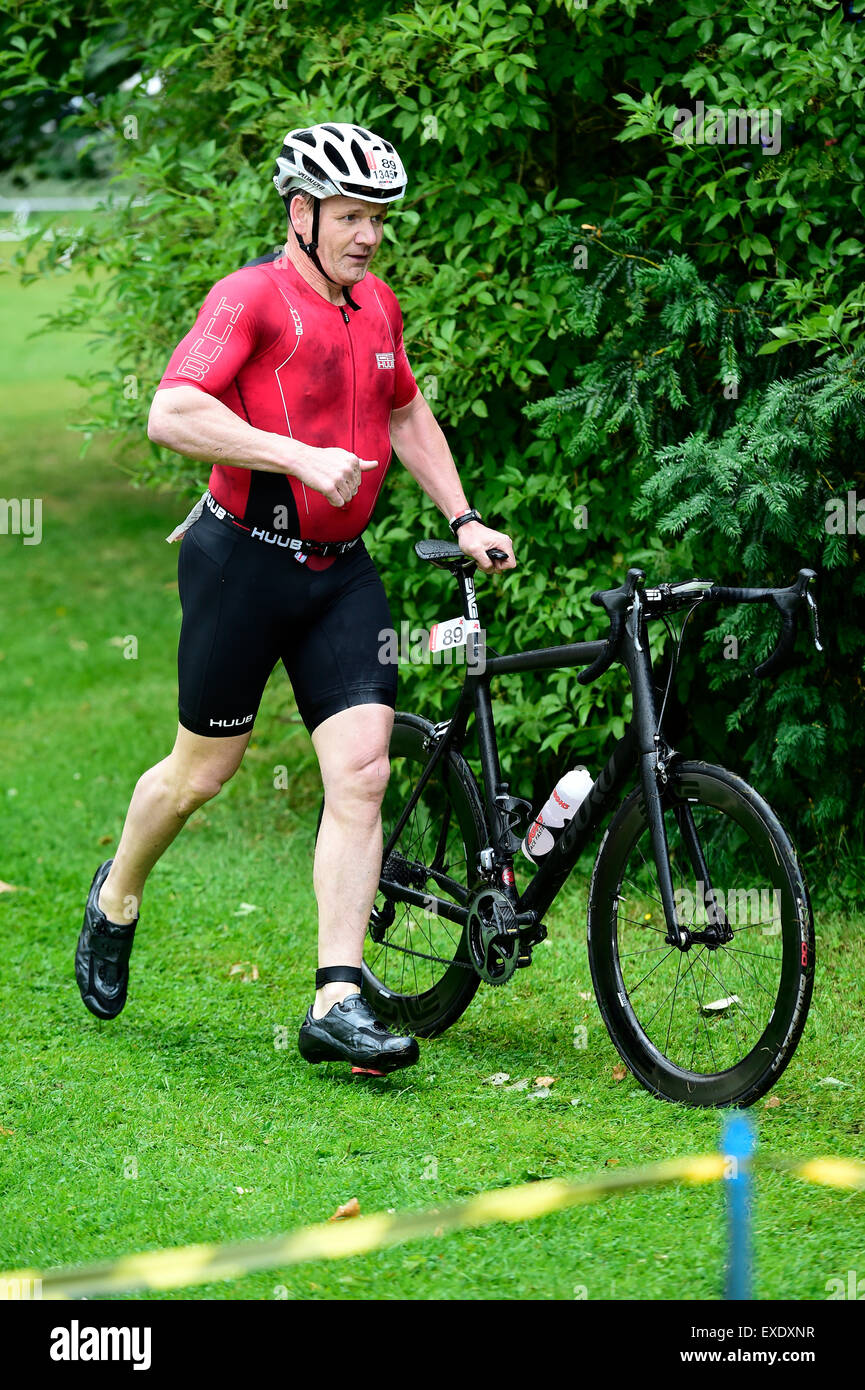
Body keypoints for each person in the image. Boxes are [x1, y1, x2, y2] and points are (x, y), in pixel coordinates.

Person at [75, 121, 515, 1073]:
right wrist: (297, 456)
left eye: (377, 218)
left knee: (361, 771)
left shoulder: (377, 307)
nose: (367, 234)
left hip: (341, 573)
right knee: (199, 776)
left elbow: (403, 408)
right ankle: (117, 893)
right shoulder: (252, 298)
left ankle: (338, 996)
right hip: (242, 564)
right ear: (301, 212)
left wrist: (464, 513)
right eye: (351, 215)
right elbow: (171, 411)